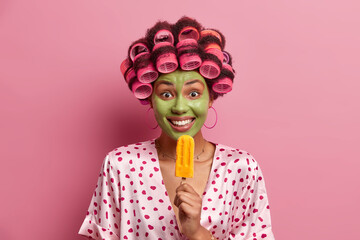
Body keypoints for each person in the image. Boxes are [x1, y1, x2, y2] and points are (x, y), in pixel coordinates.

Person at [79, 17, 275, 240]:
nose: (180, 107)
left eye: (193, 93)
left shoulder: (241, 167)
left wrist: (197, 233)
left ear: (210, 97)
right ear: (150, 98)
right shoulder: (120, 166)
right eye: (166, 94)